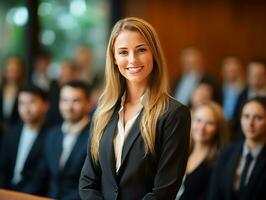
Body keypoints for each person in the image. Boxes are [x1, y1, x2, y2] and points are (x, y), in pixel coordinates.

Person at [79, 17, 191, 200]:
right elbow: (88, 180)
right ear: (114, 59)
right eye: (123, 52)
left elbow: (165, 190)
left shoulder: (174, 114)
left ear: (153, 53)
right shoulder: (103, 111)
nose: (132, 59)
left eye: (141, 50)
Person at [31, 81, 92, 199]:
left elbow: (92, 186)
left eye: (76, 101)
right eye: (64, 100)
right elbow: (40, 177)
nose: (69, 107)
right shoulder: (52, 134)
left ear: (89, 104)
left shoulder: (96, 137)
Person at [208, 96, 266, 200]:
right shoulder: (227, 152)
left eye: (258, 118)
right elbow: (214, 193)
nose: (250, 123)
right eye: (246, 116)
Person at [0, 85, 49, 193]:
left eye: (32, 102)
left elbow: (41, 178)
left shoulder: (51, 136)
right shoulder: (11, 133)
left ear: (45, 105)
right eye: (22, 103)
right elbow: (2, 168)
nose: (26, 108)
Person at [176, 102, 229, 200]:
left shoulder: (218, 163)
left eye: (209, 123)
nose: (202, 127)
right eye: (199, 120)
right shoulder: (181, 152)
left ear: (218, 129)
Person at [0, 56, 26, 128]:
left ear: (20, 71)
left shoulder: (24, 91)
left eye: (15, 70)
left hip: (16, 130)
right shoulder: (1, 90)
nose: (12, 74)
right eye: (10, 70)